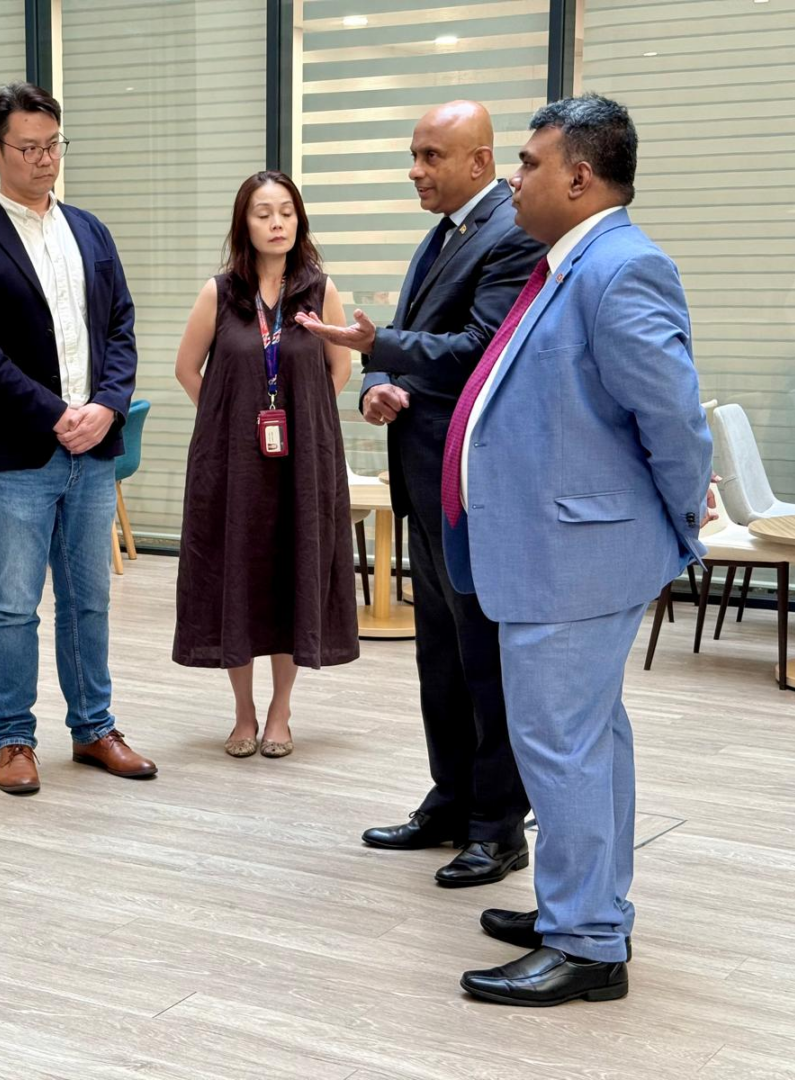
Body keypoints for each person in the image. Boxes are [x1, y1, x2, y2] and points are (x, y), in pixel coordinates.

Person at [438, 94, 711, 1005]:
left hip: (578, 557)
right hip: (558, 552)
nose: (513, 178)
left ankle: (587, 944)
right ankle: (587, 906)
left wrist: (678, 522)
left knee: (561, 747)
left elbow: (673, 419)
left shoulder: (622, 268)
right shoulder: (569, 262)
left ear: (581, 178)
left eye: (528, 163)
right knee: (589, 741)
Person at [297, 101, 541, 887]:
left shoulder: (511, 233)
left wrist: (380, 347)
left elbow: (482, 349)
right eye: (414, 153)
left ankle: (498, 826)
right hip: (425, 476)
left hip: (472, 484)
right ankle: (452, 800)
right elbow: (413, 335)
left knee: (483, 661)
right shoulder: (446, 234)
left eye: (432, 156)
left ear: (480, 161)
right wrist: (380, 379)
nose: (415, 170)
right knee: (440, 655)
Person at [0, 82, 156, 795]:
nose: (44, 159)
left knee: (88, 600)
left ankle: (94, 727)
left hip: (93, 452)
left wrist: (108, 406)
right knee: (13, 605)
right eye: (29, 147)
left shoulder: (90, 231)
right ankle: (13, 739)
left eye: (53, 144)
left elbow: (121, 326)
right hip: (18, 455)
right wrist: (55, 413)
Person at [173, 171, 357, 758]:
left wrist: (298, 418)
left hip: (301, 466)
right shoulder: (220, 293)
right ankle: (243, 712)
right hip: (235, 467)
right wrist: (227, 420)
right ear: (244, 225)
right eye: (263, 213)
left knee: (292, 574)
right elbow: (186, 369)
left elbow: (339, 369)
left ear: (299, 220)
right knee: (239, 575)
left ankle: (281, 709)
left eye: (286, 212)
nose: (277, 223)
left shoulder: (320, 291)